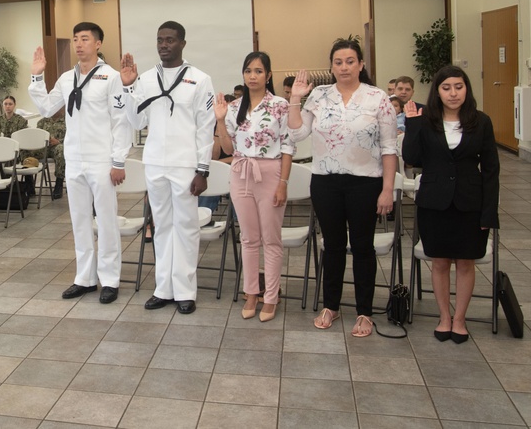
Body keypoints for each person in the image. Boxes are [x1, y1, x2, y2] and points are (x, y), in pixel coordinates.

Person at [288, 38, 398, 337]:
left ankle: (364, 312)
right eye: (338, 62)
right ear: (332, 66)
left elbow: (389, 148)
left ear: (361, 65)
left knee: (363, 247)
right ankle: (331, 305)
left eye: (350, 61)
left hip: (366, 182)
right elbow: (297, 134)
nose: (344, 67)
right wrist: (296, 98)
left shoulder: (378, 98)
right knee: (332, 245)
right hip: (326, 181)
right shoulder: (320, 96)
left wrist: (387, 189)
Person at [30, 22, 131, 304]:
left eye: (85, 39)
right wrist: (37, 78)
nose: (78, 44)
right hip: (74, 158)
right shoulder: (65, 78)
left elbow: (121, 122)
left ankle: (109, 279)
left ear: (98, 44)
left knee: (107, 220)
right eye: (75, 39)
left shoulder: (111, 77)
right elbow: (47, 108)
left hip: (101, 159)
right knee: (79, 220)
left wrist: (118, 160)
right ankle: (84, 278)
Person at [121, 21, 216, 315]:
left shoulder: (199, 79)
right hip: (155, 163)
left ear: (182, 44)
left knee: (186, 227)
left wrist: (202, 170)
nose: (164, 45)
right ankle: (164, 288)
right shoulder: (146, 79)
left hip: (186, 164)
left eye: (170, 40)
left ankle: (185, 291)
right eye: (160, 40)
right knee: (161, 227)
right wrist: (128, 87)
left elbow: (205, 127)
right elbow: (137, 121)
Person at [401, 66, 499, 344]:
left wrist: (489, 212)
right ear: (437, 92)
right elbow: (411, 157)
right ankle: (444, 317)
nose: (453, 93)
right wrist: (412, 124)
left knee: (466, 263)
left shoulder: (481, 121)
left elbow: (491, 170)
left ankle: (460, 319)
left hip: (471, 202)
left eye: (458, 86)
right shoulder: (426, 121)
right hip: (435, 201)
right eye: (446, 88)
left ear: (466, 89)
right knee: (440, 262)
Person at [214, 51, 294, 322]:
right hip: (240, 172)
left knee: (271, 239)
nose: (253, 76)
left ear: (268, 75)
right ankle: (251, 293)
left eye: (259, 71)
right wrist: (220, 119)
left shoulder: (280, 105)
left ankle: (270, 297)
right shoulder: (235, 107)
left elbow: (287, 147)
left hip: (270, 173)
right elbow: (226, 148)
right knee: (248, 239)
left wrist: (283, 183)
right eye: (248, 71)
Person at [37, 110, 66, 199]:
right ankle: (28, 182)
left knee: (61, 150)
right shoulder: (42, 122)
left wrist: (58, 141)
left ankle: (59, 183)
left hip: (57, 146)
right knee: (26, 149)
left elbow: (72, 138)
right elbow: (36, 136)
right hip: (43, 147)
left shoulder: (67, 121)